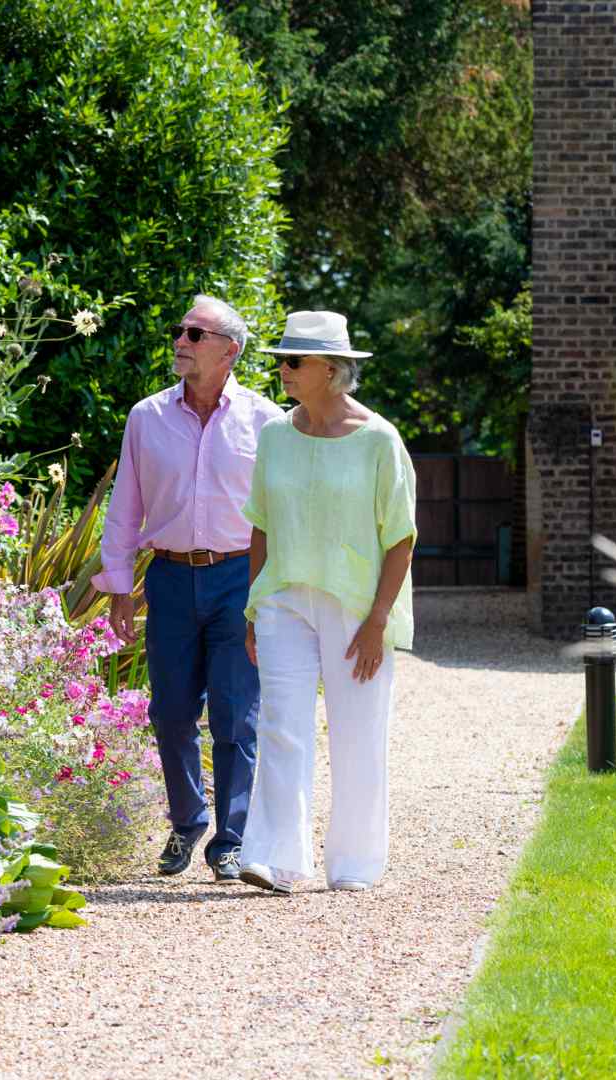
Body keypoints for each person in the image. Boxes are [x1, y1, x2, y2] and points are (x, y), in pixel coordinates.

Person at [92, 294, 285, 881]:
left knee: (236, 714)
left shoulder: (267, 422)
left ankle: (231, 839)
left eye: (195, 334)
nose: (180, 341)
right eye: (180, 331)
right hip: (170, 578)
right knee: (171, 712)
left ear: (230, 349)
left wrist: (273, 591)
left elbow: (280, 515)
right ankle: (186, 822)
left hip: (239, 578)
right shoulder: (145, 418)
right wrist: (119, 585)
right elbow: (125, 506)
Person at [234, 310, 417, 894]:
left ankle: (355, 866)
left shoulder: (379, 440)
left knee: (358, 731)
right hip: (284, 600)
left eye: (294, 361)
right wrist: (253, 609)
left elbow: (401, 535)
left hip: (357, 608)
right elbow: (260, 526)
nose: (282, 370)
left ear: (332, 370)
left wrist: (378, 619)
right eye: (281, 360)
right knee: (281, 723)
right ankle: (274, 859)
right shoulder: (275, 438)